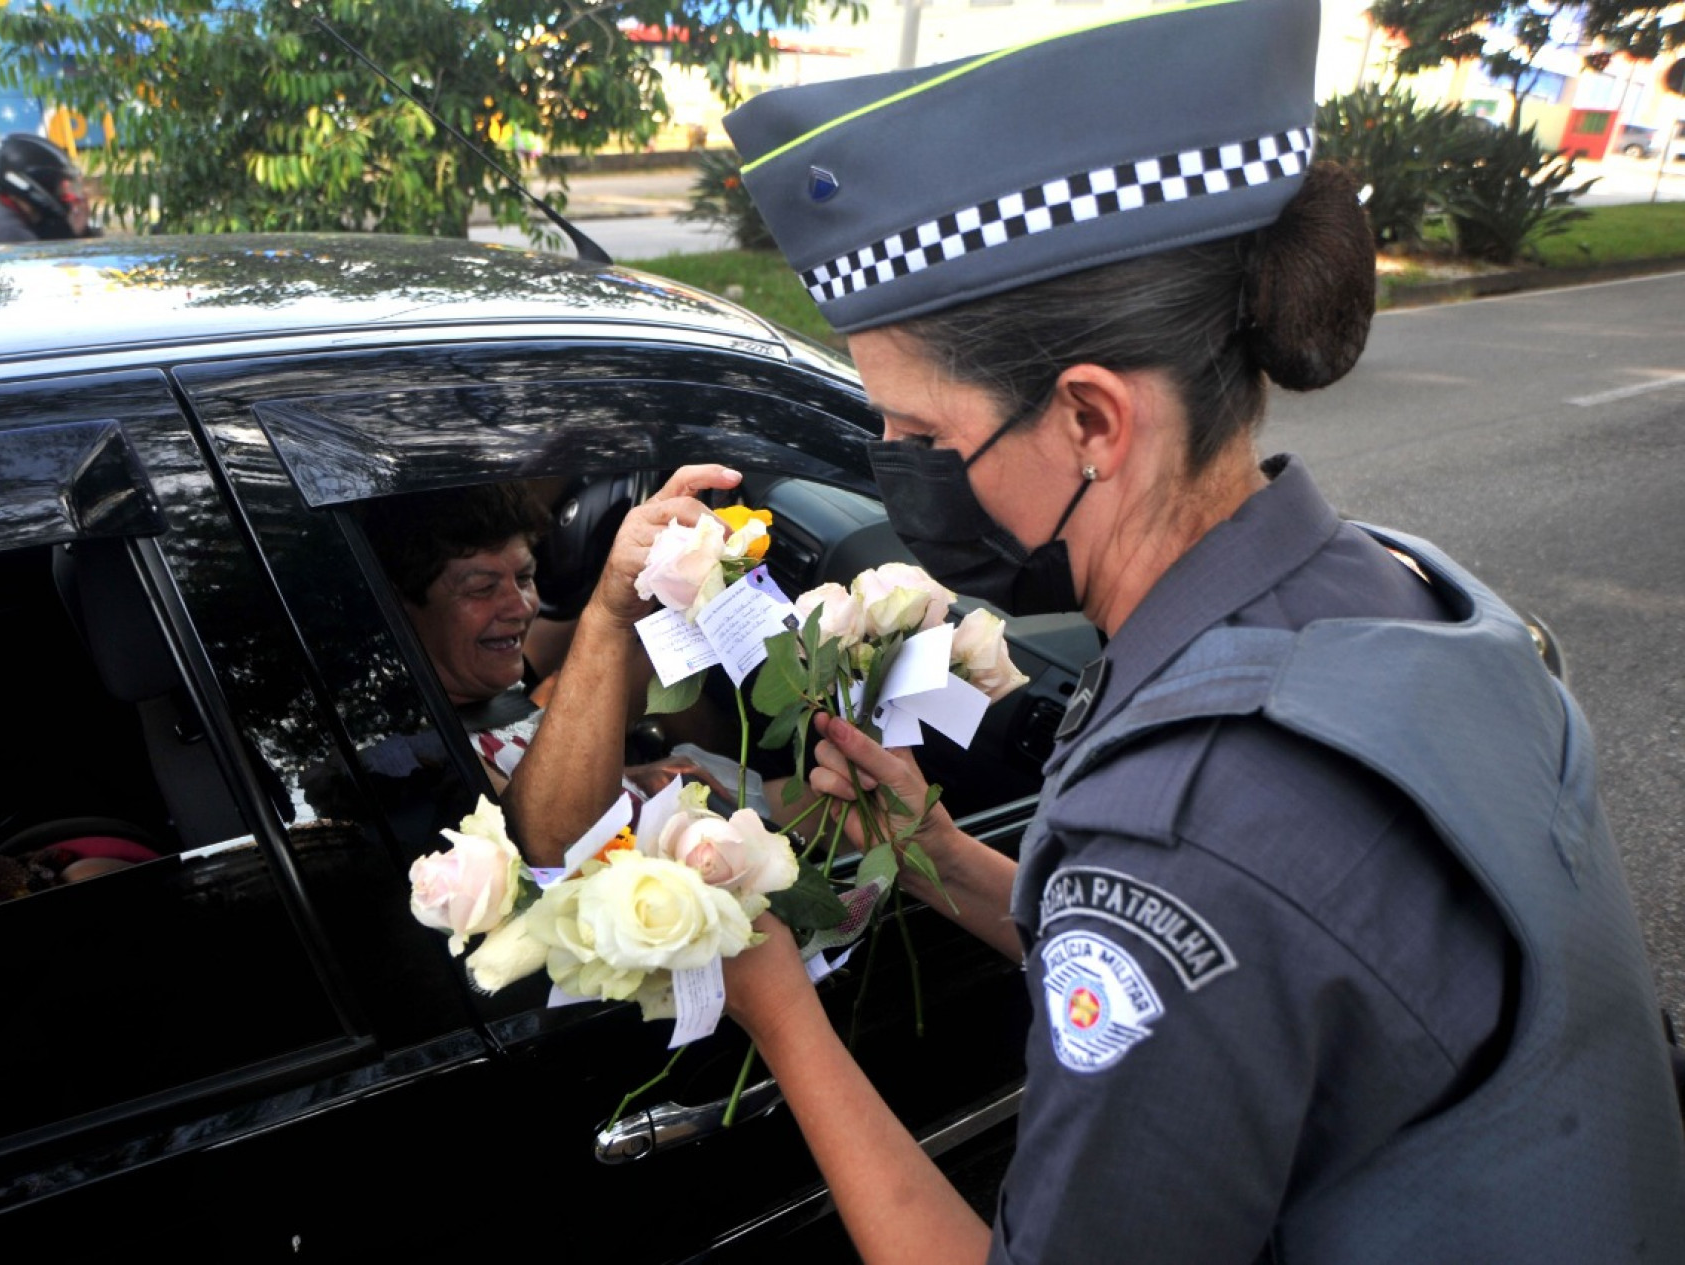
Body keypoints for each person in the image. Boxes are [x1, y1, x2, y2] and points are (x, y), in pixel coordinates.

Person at [621, 1, 1685, 1262]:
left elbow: (1198, 895)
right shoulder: (1387, 587)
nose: (893, 466)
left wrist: (780, 1014)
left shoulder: (1180, 825)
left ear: (1091, 420)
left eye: (921, 434)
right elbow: (1254, 971)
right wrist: (938, 854)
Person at [363, 476, 781, 865]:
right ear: (402, 610)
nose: (520, 606)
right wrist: (608, 616)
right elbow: (553, 850)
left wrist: (625, 778)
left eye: (524, 577)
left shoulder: (494, 697)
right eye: (482, 589)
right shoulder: (423, 759)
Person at [0, 133, 93, 245]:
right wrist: (72, 237)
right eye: (60, 186)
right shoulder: (9, 232)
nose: (65, 194)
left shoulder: (12, 220)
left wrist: (73, 233)